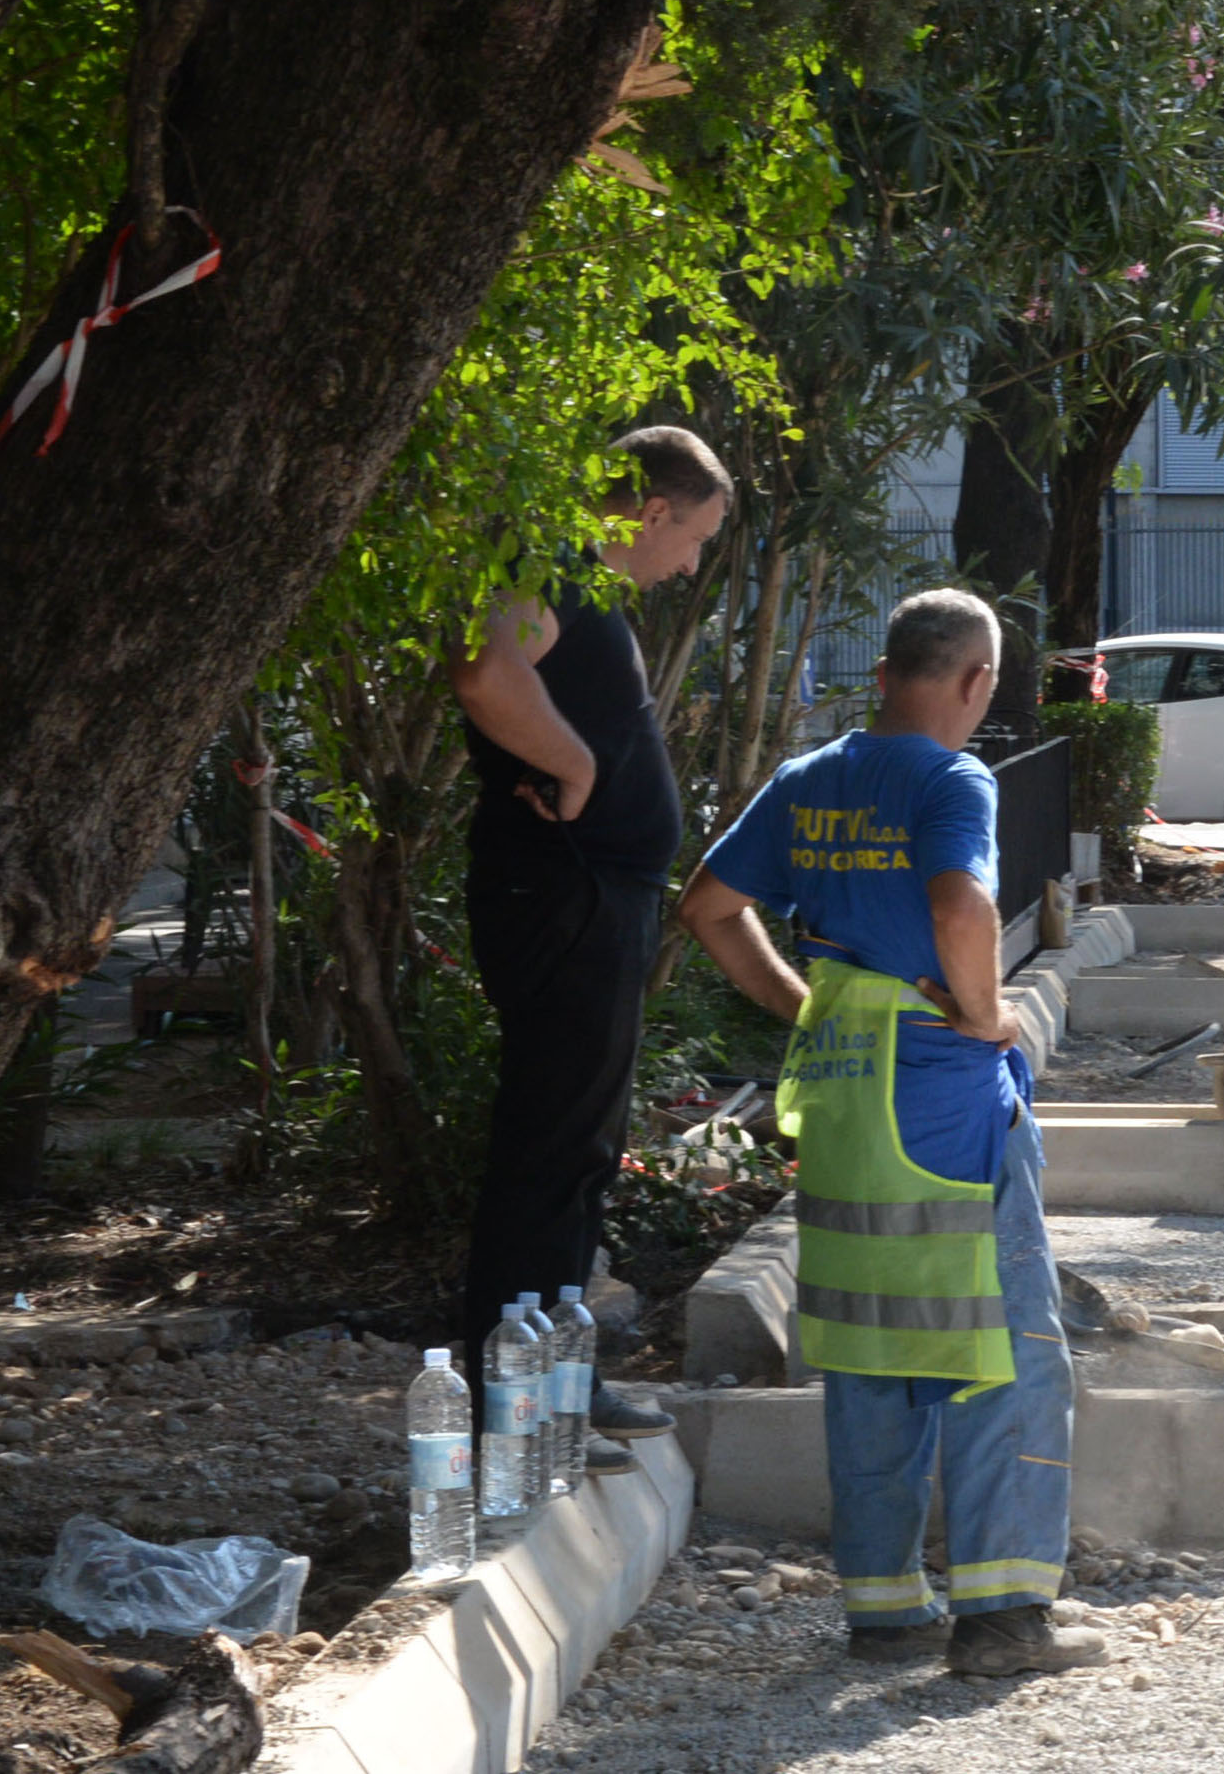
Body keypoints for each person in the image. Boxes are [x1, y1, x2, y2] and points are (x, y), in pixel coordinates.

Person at [681, 589, 1109, 1678]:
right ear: (975, 682)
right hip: (939, 1096)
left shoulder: (807, 777)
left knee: (869, 1343)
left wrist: (801, 1006)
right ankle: (1004, 1617)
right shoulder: (951, 778)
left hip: (839, 1086)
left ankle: (884, 1610)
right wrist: (984, 1011)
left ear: (883, 671)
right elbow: (962, 905)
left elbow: (708, 906)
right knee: (1002, 1345)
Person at [448, 424, 730, 1473]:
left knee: (579, 1153)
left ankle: (554, 1382)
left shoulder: (575, 582)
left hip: (593, 895)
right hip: (566, 892)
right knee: (550, 1149)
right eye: (694, 538)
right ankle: (517, 1406)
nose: (690, 565)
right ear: (652, 510)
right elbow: (484, 671)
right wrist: (575, 765)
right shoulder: (550, 566)